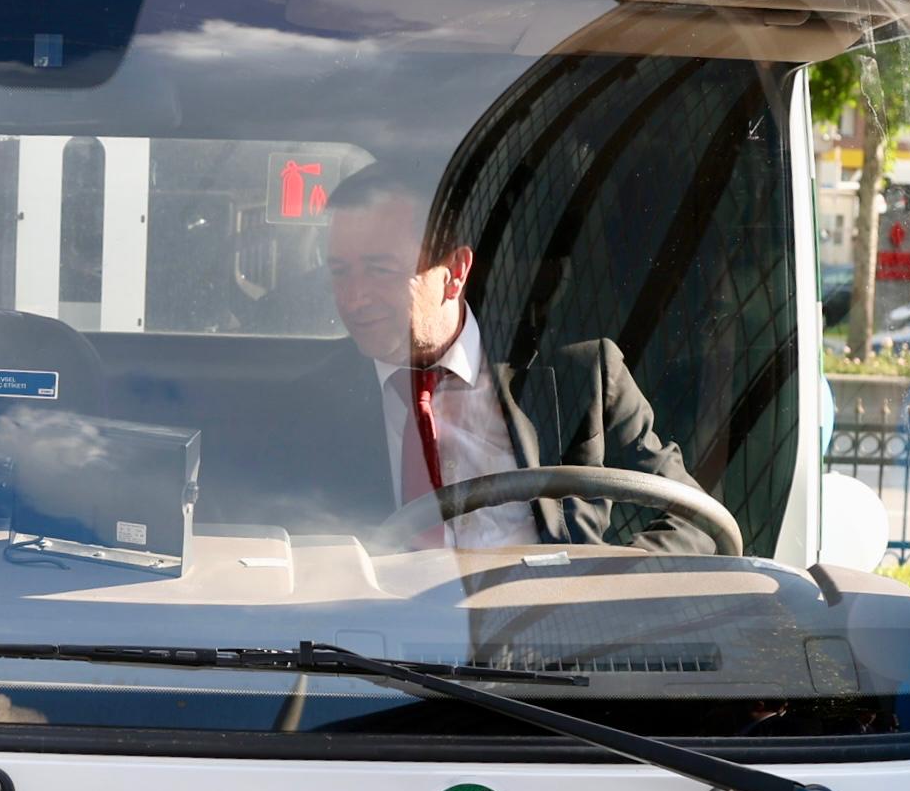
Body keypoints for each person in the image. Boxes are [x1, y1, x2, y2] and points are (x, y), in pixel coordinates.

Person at [277, 173, 720, 554]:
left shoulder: (580, 373)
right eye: (340, 271)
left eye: (380, 271)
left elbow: (695, 520)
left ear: (455, 273)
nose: (355, 298)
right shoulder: (307, 405)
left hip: (552, 622)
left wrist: (603, 591)